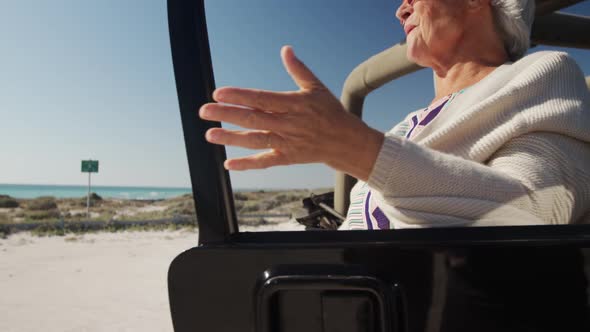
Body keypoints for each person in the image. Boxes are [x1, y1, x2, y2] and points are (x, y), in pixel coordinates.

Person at [198, 0, 590, 229]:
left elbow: (540, 213)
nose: (400, 10)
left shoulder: (543, 73)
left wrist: (359, 150)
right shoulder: (406, 126)